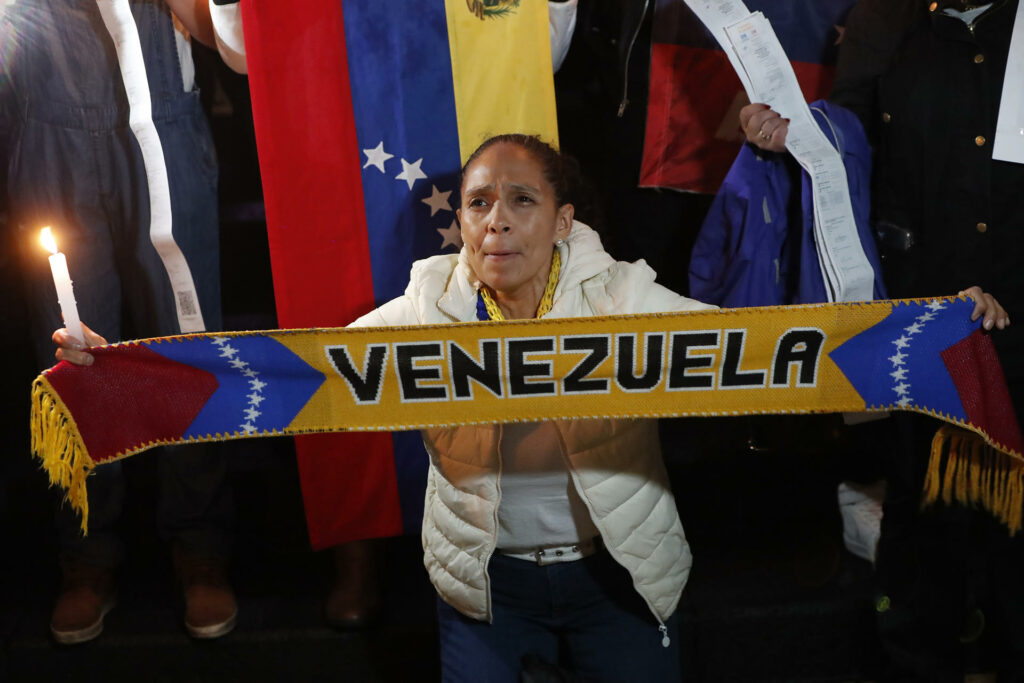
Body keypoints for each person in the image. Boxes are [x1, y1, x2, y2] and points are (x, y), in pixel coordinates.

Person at [737, 0, 1021, 677]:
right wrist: (787, 138)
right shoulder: (883, 23)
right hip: (923, 326)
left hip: (1017, 316)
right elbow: (843, 147)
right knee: (926, 554)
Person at [5, 0, 243, 644]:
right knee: (66, 343)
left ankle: (200, 540)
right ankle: (86, 550)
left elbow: (238, 39)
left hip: (161, 115)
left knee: (188, 341)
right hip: (46, 121)